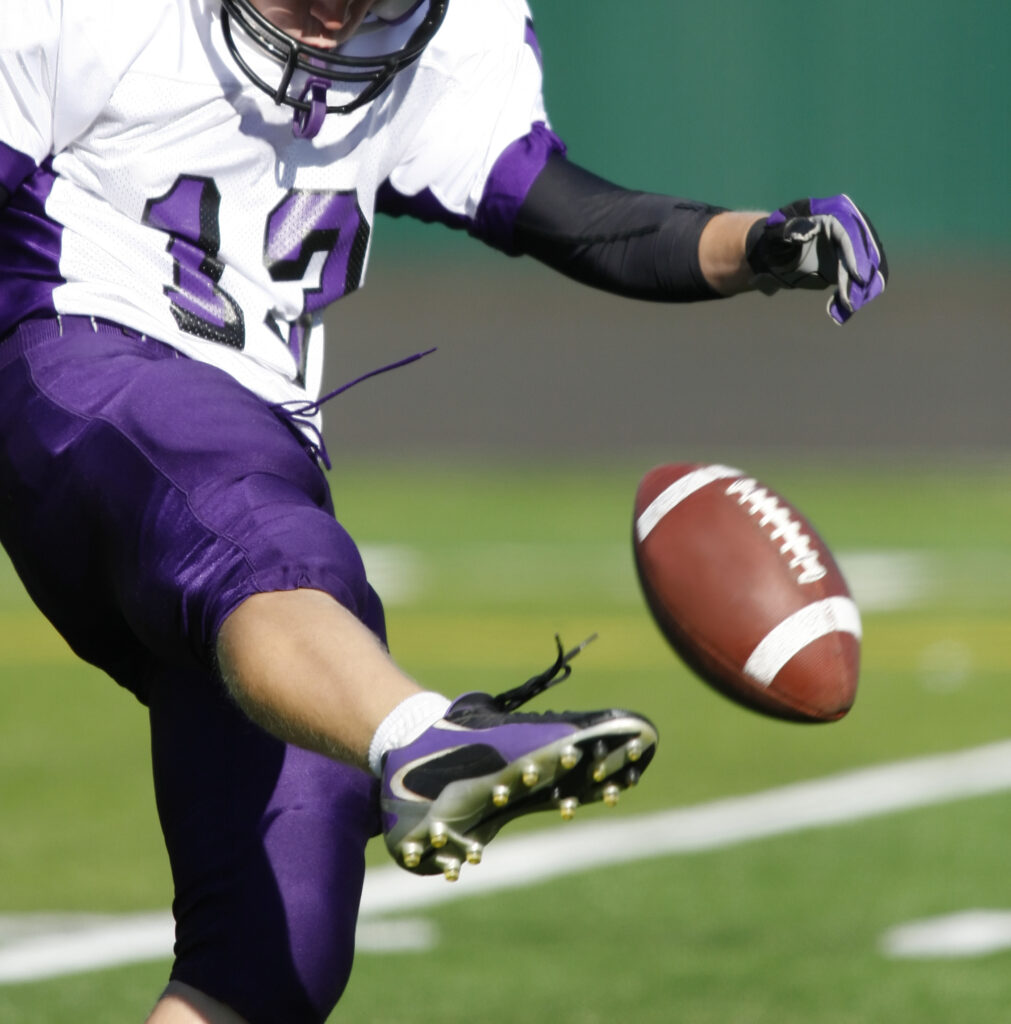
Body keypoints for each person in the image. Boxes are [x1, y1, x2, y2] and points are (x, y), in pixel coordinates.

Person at [0, 1, 887, 1021]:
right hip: (78, 370)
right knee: (266, 537)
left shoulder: (446, 41)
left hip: (256, 461)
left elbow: (576, 216)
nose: (333, 25)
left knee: (273, 947)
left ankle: (396, 738)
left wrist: (761, 245)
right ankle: (426, 738)